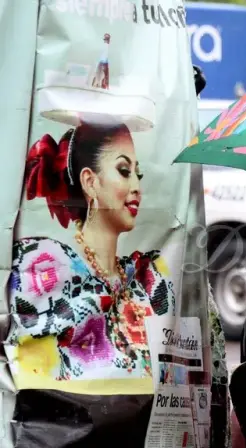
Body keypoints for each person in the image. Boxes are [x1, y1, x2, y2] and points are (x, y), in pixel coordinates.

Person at [8, 122, 174, 382]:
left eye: (137, 174)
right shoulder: (45, 267)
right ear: (90, 182)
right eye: (123, 170)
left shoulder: (148, 278)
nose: (136, 187)